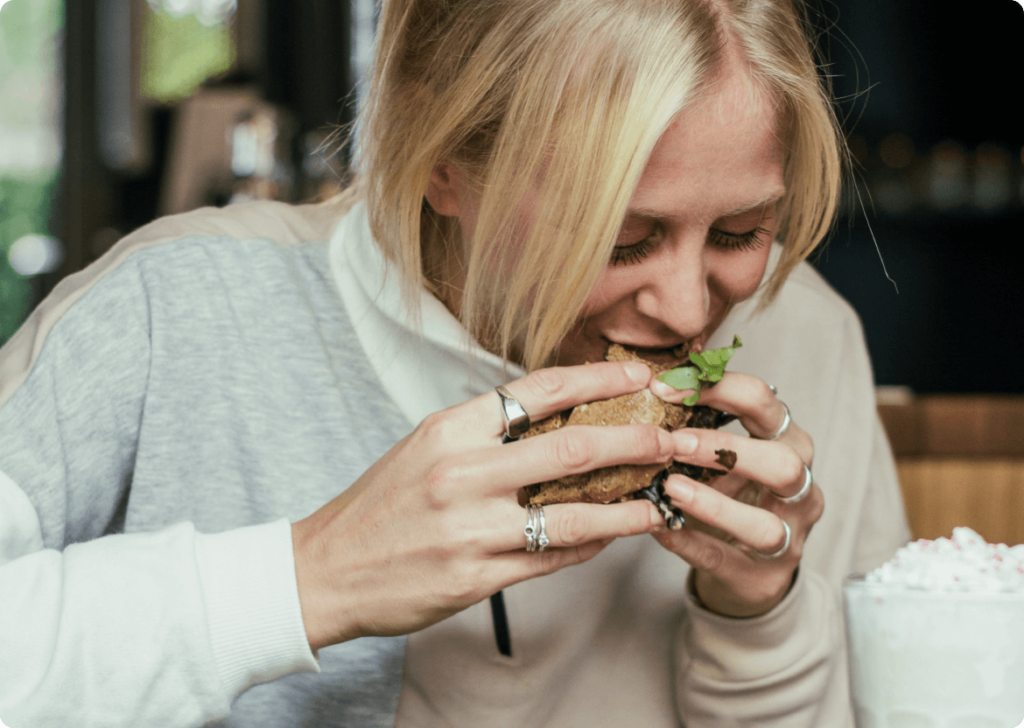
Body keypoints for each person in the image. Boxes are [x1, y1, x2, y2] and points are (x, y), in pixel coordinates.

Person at [0, 0, 911, 725]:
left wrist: (758, 613)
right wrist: (311, 575)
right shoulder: (176, 308)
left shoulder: (810, 338)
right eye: (620, 238)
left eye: (743, 232)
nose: (687, 309)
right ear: (442, 161)